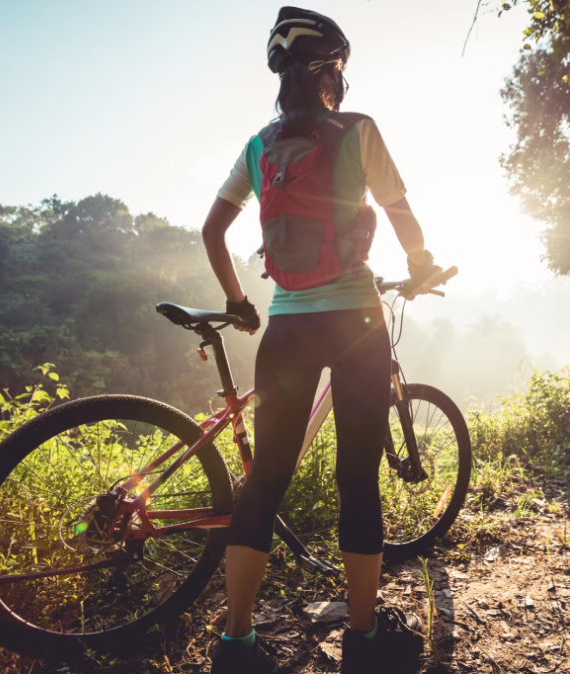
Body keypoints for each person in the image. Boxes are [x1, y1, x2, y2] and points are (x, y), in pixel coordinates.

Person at [201, 7, 442, 673]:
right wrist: (421, 267)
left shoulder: (258, 145)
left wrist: (237, 301)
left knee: (266, 479)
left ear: (282, 77)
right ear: (333, 69)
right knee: (357, 479)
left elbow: (213, 231)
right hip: (357, 324)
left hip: (286, 325)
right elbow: (398, 212)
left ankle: (237, 643)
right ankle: (361, 642)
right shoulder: (357, 129)